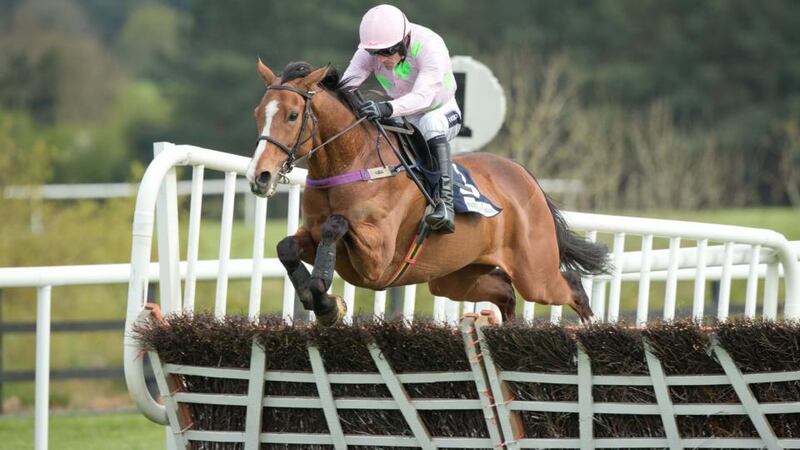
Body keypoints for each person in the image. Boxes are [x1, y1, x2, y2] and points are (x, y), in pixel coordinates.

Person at [342, 4, 461, 233]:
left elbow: (423, 98)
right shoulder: (372, 49)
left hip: (440, 110)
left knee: (429, 124)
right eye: (375, 53)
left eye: (388, 51)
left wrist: (386, 109)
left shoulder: (430, 45)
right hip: (402, 115)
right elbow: (346, 85)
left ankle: (445, 205)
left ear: (405, 39)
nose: (382, 58)